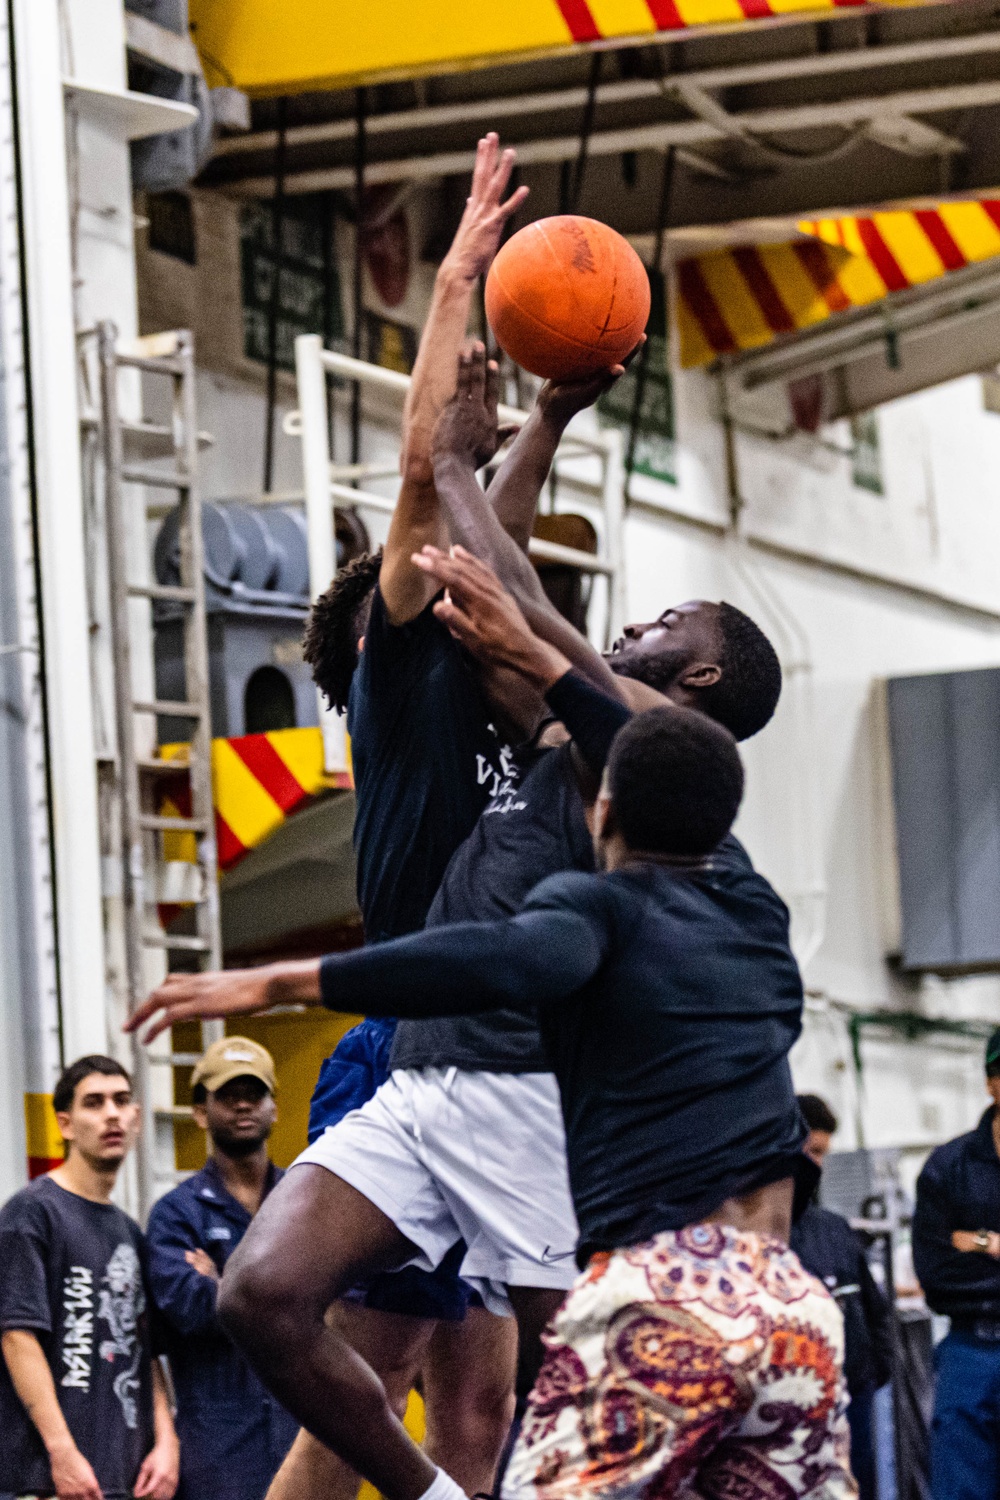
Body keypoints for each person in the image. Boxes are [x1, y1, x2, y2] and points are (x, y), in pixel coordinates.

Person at [127, 544, 785, 1498]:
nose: (637, 623)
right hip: (421, 1074)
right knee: (263, 1295)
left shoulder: (656, 848)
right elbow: (521, 643)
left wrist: (285, 982)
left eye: (667, 621)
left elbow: (508, 954)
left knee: (581, 1403)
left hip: (531, 1102)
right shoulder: (580, 755)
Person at [211, 705, 853, 1499]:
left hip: (657, 1313)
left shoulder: (601, 911)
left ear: (603, 812)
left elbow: (507, 957)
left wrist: (289, 980)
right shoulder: (759, 919)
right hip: (790, 1316)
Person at [0, 1056, 178, 1500]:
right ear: (65, 1123)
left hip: (122, 1477)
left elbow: (146, 1351)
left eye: (121, 1101)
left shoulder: (128, 1231)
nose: (112, 1114)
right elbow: (17, 1337)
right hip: (46, 1481)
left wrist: (167, 1441)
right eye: (94, 1103)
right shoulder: (31, 1215)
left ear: (136, 1118)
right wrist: (61, 1451)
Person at [145, 1037, 298, 1500]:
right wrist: (288, 1291)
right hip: (218, 1448)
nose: (243, 1105)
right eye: (227, 1096)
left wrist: (224, 1282)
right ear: (199, 1112)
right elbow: (193, 1309)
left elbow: (335, 1302)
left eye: (255, 1093)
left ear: (274, 1107)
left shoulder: (305, 1202)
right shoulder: (176, 1214)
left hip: (304, 1431)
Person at [913, 1027, 1000, 1500]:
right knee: (962, 1487)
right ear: (991, 1083)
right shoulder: (949, 1167)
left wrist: (979, 1242)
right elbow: (938, 1275)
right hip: (972, 1351)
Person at [791, 1095, 892, 1500]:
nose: (818, 1165)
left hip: (854, 1394)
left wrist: (873, 1370)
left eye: (824, 1154)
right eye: (812, 1152)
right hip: (799, 1405)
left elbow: (873, 1307)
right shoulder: (764, 1236)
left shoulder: (834, 1229)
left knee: (859, 1486)